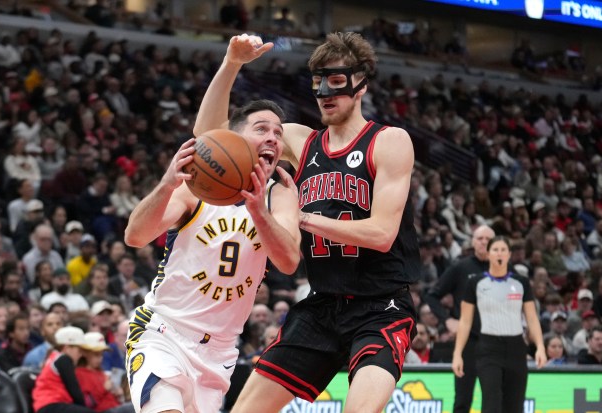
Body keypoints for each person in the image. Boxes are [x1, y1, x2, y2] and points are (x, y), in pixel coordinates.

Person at [194, 33, 421, 412]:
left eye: (336, 82)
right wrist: (231, 64)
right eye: (319, 83)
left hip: (380, 306)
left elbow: (381, 235)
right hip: (320, 305)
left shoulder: (389, 141)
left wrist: (302, 218)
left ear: (360, 84)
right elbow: (208, 137)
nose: (325, 93)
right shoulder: (300, 141)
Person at [122, 75, 301, 413]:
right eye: (262, 129)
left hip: (219, 351)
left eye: (278, 133)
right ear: (232, 140)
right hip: (164, 331)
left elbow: (289, 262)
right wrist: (165, 185)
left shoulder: (281, 195)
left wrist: (258, 212)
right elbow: (135, 236)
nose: (273, 138)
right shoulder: (197, 186)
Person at [452, 236, 547, 413]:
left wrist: (540, 346)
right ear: (488, 254)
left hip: (516, 348)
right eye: (495, 249)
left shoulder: (521, 283)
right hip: (488, 349)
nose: (499, 253)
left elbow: (532, 318)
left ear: (510, 254)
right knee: (491, 403)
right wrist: (458, 354)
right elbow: (465, 321)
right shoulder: (475, 283)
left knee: (514, 405)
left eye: (503, 250)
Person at [425, 224, 494, 413]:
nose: (484, 242)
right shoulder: (461, 267)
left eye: (488, 239)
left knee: (495, 399)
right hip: (468, 342)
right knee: (463, 399)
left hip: (495, 341)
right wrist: (447, 320)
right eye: (480, 238)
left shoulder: (502, 269)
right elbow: (432, 295)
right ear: (472, 241)